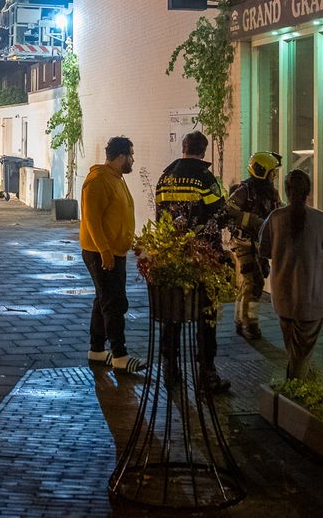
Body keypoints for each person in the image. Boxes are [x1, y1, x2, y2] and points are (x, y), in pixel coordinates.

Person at [155, 130, 230, 394]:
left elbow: (160, 216)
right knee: (205, 316)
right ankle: (206, 375)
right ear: (203, 151)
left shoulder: (165, 177)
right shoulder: (204, 178)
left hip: (172, 256)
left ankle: (170, 370)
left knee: (172, 315)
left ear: (184, 148)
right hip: (202, 258)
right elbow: (220, 213)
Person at [264, 169, 323, 380]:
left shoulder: (275, 219)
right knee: (301, 353)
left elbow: (264, 249)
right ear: (308, 191)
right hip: (312, 297)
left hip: (283, 297)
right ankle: (297, 389)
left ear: (286, 191)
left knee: (294, 349)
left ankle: (299, 384)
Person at [80, 136, 146, 375]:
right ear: (120, 157)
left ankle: (97, 351)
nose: (133, 160)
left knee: (104, 300)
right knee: (114, 303)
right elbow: (92, 220)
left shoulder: (116, 178)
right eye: (130, 155)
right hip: (101, 253)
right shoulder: (98, 180)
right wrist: (105, 251)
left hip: (114, 251)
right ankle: (120, 356)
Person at [225, 151, 282, 341]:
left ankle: (240, 319)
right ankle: (250, 323)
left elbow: (278, 209)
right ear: (261, 171)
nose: (274, 176)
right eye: (272, 172)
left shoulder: (271, 192)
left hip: (260, 244)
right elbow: (229, 210)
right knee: (254, 282)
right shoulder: (245, 190)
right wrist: (254, 221)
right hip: (243, 243)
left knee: (251, 282)